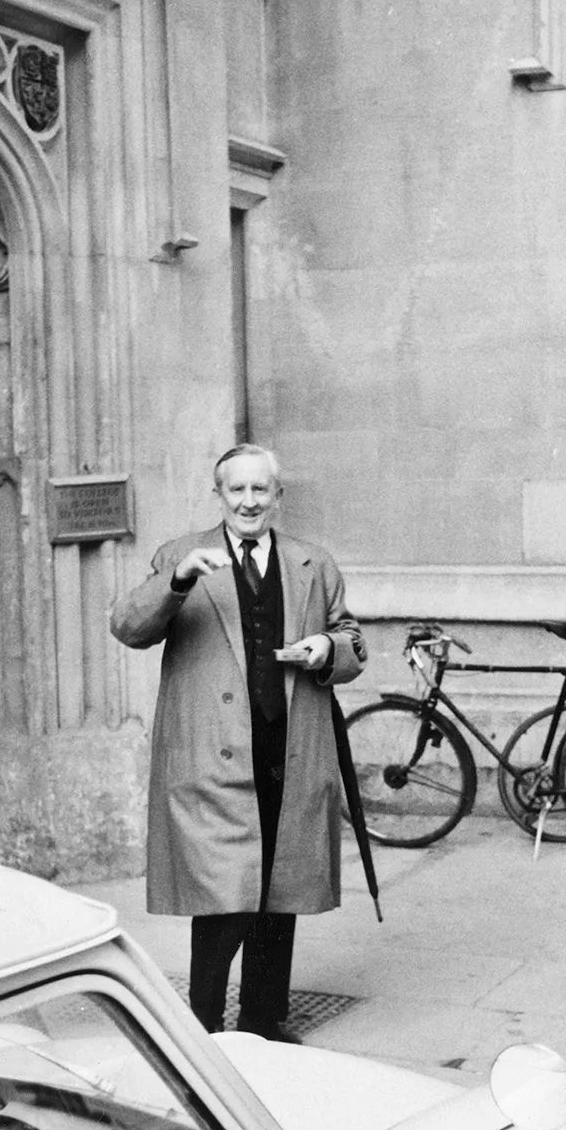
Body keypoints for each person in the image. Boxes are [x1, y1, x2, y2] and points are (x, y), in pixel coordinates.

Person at [110, 445, 366, 1041]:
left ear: (278, 496)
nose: (249, 502)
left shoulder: (312, 563)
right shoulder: (180, 555)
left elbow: (351, 636)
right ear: (219, 494)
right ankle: (202, 1024)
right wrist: (177, 581)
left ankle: (262, 1020)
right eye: (237, 490)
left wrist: (328, 648)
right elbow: (128, 626)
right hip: (213, 754)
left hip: (289, 749)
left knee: (279, 890)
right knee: (221, 898)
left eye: (260, 490)